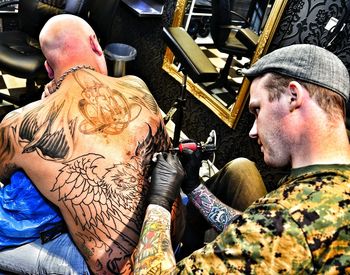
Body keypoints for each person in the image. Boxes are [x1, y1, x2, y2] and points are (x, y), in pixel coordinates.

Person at [132, 44, 350, 274]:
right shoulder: (326, 187)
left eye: (257, 110)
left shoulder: (287, 220)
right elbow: (250, 226)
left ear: (293, 96)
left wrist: (159, 201)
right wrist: (194, 187)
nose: (253, 131)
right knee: (240, 169)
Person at [0, 14, 184, 274]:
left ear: (49, 70)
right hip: (171, 245)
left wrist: (41, 108)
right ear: (96, 45)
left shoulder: (16, 124)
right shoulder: (138, 87)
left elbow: (5, 177)